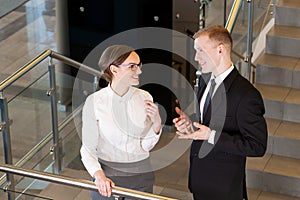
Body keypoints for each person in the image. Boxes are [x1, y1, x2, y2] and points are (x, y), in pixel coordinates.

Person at [173, 25, 268, 200]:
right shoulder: (204, 80)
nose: (196, 57)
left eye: (201, 51)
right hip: (199, 181)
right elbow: (206, 119)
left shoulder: (246, 95)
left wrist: (211, 135)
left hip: (224, 188)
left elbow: (257, 146)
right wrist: (191, 123)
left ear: (220, 50)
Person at [80, 45, 162, 200]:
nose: (139, 71)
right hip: (107, 178)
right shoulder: (95, 102)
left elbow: (144, 146)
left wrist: (156, 124)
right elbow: (87, 149)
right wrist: (99, 176)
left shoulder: (145, 97)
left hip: (141, 176)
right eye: (132, 67)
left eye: (139, 66)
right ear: (114, 69)